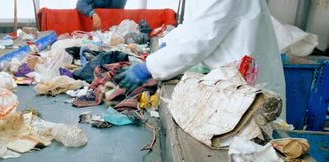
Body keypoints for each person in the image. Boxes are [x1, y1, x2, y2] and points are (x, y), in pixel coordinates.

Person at [116, 0, 287, 111]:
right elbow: (193, 24)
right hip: (232, 77)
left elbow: (199, 39)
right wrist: (167, 43)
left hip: (248, 85)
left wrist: (149, 67)